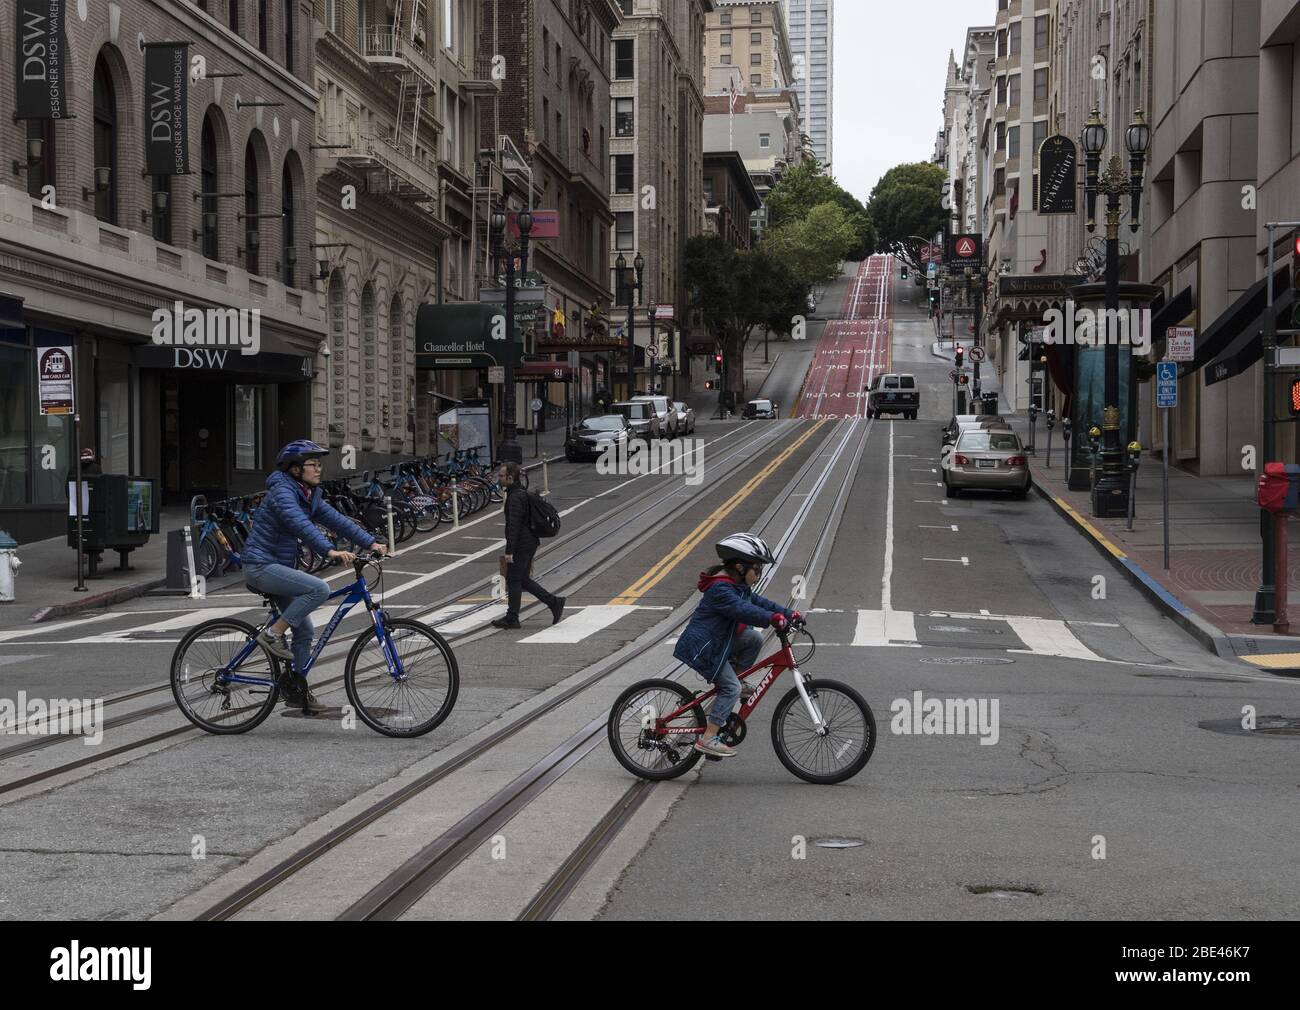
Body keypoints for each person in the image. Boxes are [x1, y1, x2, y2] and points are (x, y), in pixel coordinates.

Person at [242, 440, 386, 713]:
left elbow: (336, 519)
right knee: (318, 588)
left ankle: (296, 690)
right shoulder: (283, 492)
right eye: (313, 464)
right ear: (295, 469)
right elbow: (298, 522)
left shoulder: (309, 494)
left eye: (320, 464)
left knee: (305, 629)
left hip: (278, 567)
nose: (319, 469)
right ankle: (272, 635)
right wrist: (329, 550)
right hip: (260, 565)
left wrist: (370, 543)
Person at [672, 533, 800, 758]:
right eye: (757, 570)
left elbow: (758, 602)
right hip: (704, 649)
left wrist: (789, 613)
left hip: (718, 643)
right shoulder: (721, 589)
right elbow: (743, 610)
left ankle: (736, 680)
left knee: (754, 639)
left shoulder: (736, 585)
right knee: (732, 689)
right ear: (740, 567)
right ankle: (709, 738)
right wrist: (772, 619)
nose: (758, 575)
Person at [492, 461, 564, 630]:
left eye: (501, 476)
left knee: (514, 580)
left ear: (510, 477)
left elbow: (514, 525)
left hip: (521, 545)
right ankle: (554, 603)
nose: (499, 478)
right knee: (522, 580)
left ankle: (512, 618)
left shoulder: (515, 497)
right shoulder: (519, 493)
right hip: (529, 542)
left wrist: (509, 551)